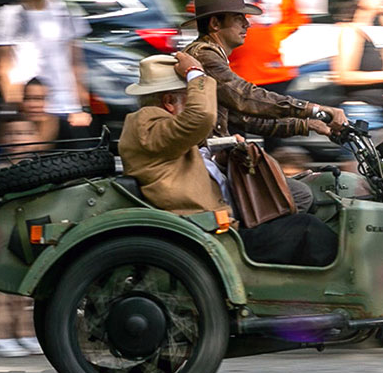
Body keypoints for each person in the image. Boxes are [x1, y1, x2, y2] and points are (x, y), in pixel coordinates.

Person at [119, 53, 338, 266]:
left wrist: (223, 157)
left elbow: (184, 154)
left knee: (308, 203)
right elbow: (200, 118)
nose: (203, 102)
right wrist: (194, 73)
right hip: (207, 233)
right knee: (307, 229)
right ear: (168, 101)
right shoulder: (147, 121)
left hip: (219, 222)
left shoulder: (160, 127)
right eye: (191, 96)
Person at [184, 0, 347, 141]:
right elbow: (244, 96)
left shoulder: (210, 55)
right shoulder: (204, 55)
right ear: (215, 24)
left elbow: (246, 120)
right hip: (199, 160)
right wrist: (313, 109)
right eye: (238, 18)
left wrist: (310, 125)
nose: (246, 24)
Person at [0, 0, 93, 138]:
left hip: (66, 107)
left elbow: (76, 63)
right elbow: (3, 67)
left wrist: (82, 107)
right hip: (31, 109)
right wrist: (17, 108)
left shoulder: (68, 12)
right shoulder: (9, 14)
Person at [0, 112, 44, 357]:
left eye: (24, 133)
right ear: (2, 139)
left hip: (26, 235)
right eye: (11, 133)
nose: (17, 138)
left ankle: (26, 333)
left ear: (35, 137)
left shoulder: (40, 170)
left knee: (25, 291)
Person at [332, 0, 383, 133]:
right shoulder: (351, 32)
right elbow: (343, 76)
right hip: (361, 111)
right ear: (363, 2)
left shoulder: (376, 34)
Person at [19, 77, 60, 144]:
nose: (32, 104)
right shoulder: (12, 130)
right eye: (27, 99)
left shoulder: (70, 133)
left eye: (40, 99)